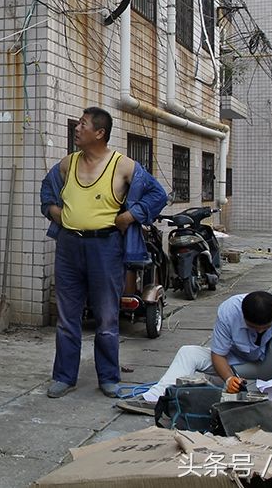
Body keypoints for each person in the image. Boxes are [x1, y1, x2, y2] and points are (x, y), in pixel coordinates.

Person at [39, 108, 168, 399]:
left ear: (99, 133)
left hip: (106, 247)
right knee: (67, 317)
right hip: (69, 247)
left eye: (82, 124)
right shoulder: (67, 164)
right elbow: (46, 191)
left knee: (108, 318)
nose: (77, 128)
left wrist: (131, 215)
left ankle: (109, 378)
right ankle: (64, 377)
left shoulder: (123, 165)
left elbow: (157, 194)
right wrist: (54, 212)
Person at [116, 291, 272, 415]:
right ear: (243, 316)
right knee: (188, 352)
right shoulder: (229, 311)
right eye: (253, 327)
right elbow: (218, 354)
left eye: (265, 328)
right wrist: (228, 379)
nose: (259, 332)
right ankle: (155, 398)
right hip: (237, 365)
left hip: (271, 367)